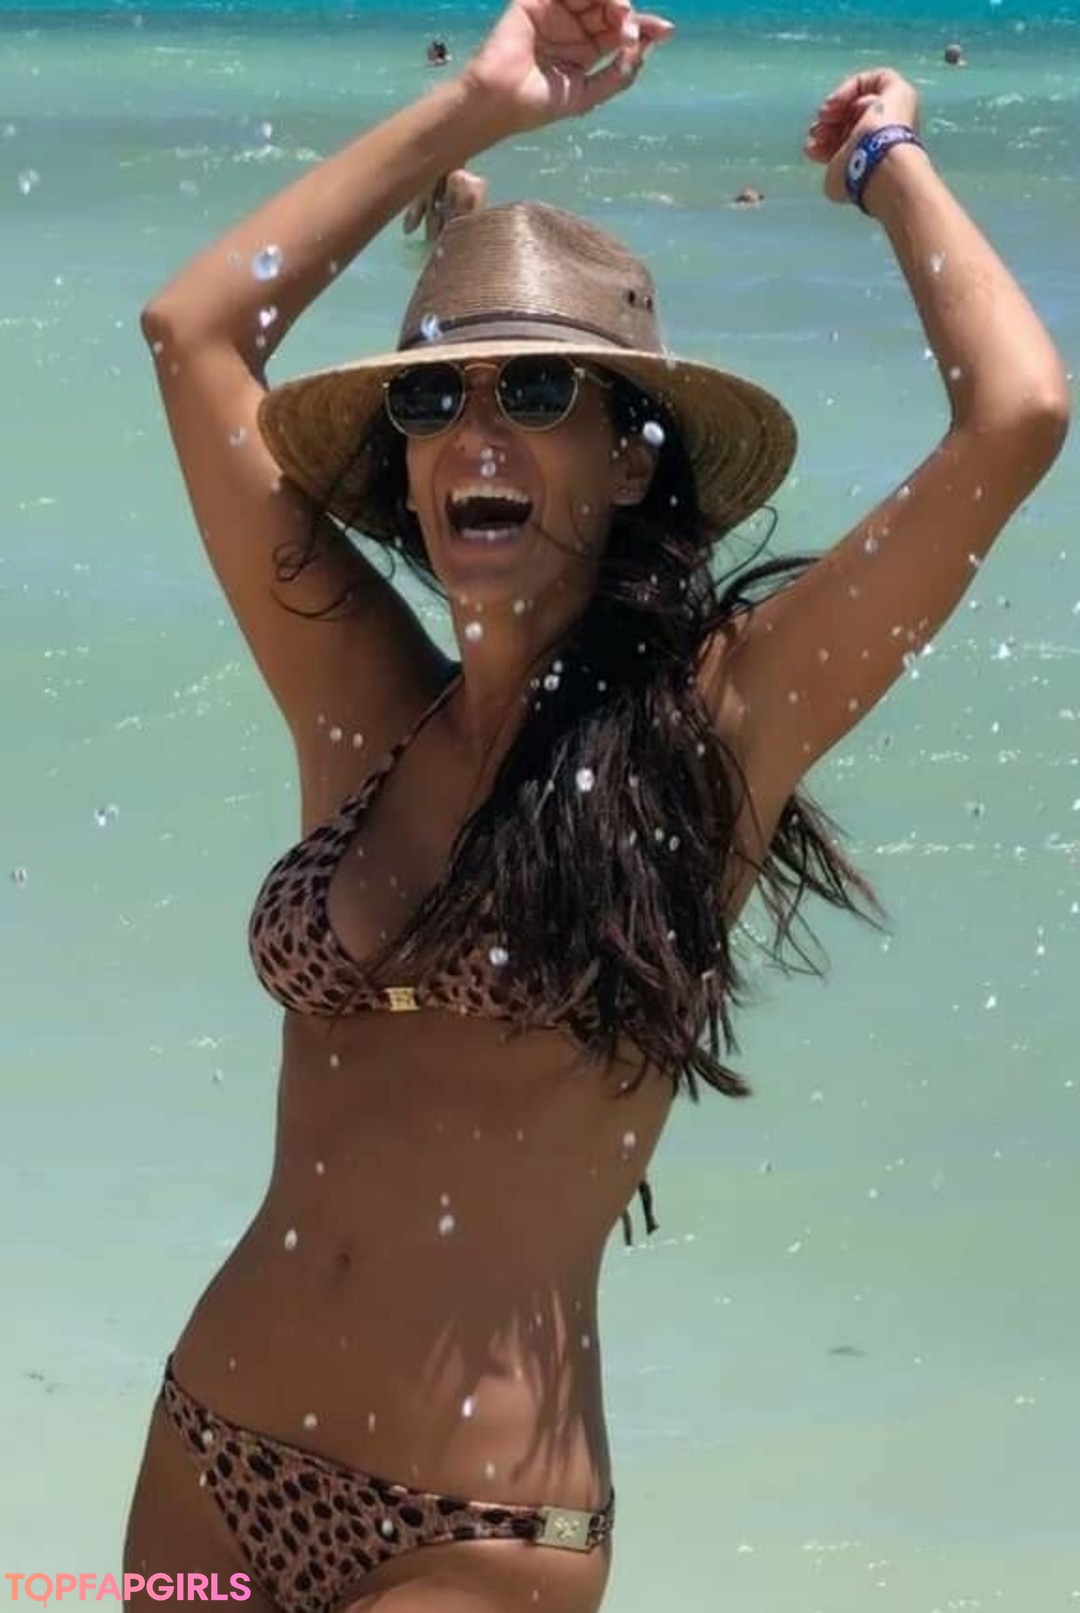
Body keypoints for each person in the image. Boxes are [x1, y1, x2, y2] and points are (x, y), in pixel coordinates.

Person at [125, 0, 1069, 1607]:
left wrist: (887, 162)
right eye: (433, 402)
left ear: (630, 459)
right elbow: (193, 333)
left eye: (534, 391)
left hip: (469, 1527)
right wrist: (480, 107)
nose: (473, 434)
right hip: (209, 1463)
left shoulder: (715, 733)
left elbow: (1020, 414)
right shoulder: (366, 710)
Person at [402, 165, 489, 243]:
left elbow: (408, 227)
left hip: (436, 251)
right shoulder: (477, 186)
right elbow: (408, 227)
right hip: (455, 251)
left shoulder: (474, 187)